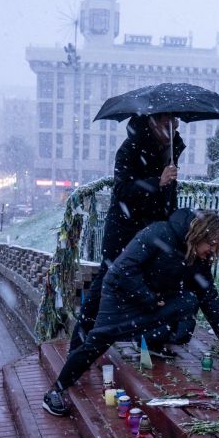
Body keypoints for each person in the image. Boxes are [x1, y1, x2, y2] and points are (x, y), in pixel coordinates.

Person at [43, 209, 219, 417]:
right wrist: (149, 299)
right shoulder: (159, 234)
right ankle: (56, 389)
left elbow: (208, 294)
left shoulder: (197, 257)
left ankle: (150, 339)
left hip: (150, 297)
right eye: (212, 244)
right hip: (120, 292)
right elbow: (124, 270)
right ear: (199, 234)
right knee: (98, 342)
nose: (214, 251)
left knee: (188, 301)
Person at [68, 113, 185, 354]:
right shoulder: (130, 149)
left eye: (175, 124)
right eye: (166, 124)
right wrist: (157, 182)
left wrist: (170, 224)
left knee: (155, 283)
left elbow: (168, 197)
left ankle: (152, 341)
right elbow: (122, 189)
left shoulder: (171, 150)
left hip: (153, 232)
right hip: (124, 230)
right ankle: (79, 345)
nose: (172, 129)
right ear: (152, 122)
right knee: (107, 282)